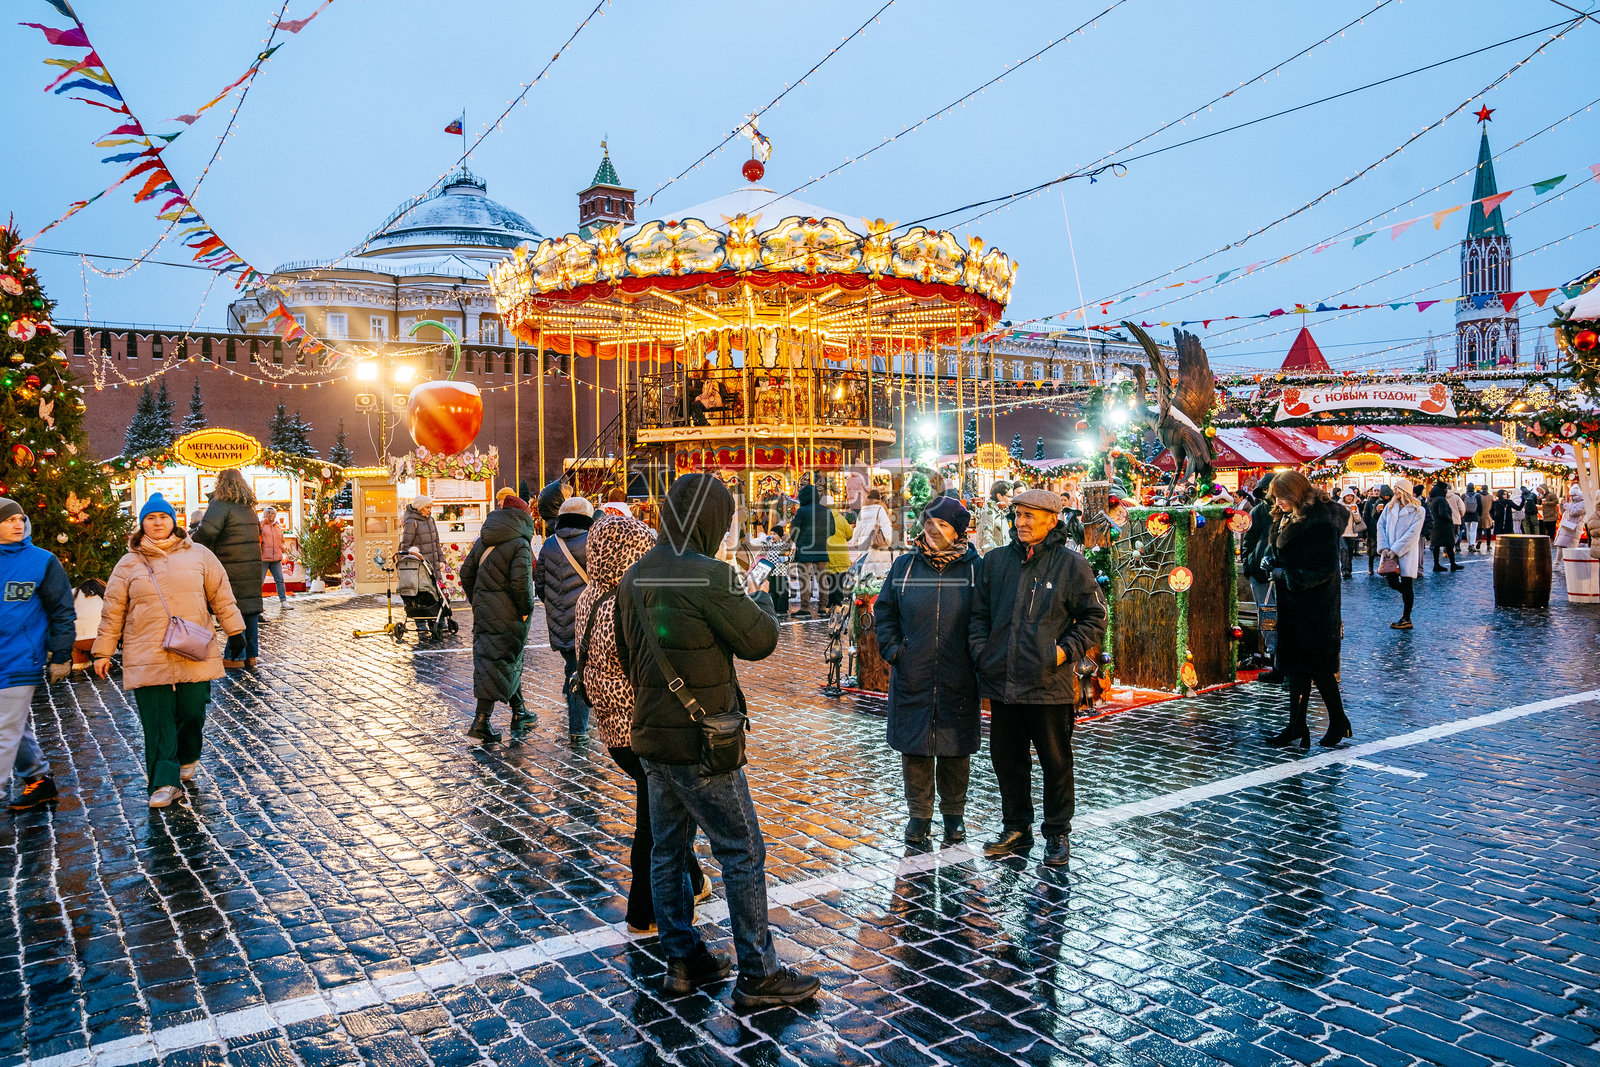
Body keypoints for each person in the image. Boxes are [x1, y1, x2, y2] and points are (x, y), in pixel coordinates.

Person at [615, 473, 819, 1008]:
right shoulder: (711, 576)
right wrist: (764, 596)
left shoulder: (635, 576)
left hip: (651, 738)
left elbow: (623, 648)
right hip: (704, 744)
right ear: (708, 521)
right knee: (742, 848)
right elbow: (759, 641)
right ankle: (758, 971)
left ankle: (683, 960)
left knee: (667, 849)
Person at [576, 513, 713, 934]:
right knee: (655, 824)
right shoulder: (626, 602)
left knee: (664, 806)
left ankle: (692, 880)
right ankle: (646, 910)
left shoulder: (589, 596)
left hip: (613, 727)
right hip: (641, 726)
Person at [970, 488, 1107, 867]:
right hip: (1003, 683)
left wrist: (1061, 653)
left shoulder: (1070, 565)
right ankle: (1016, 827)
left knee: (1055, 761)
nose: (1021, 522)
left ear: (1052, 519)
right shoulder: (995, 562)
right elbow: (978, 616)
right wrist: (983, 652)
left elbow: (1095, 618)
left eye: (1030, 515)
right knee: (1008, 760)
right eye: (1018, 514)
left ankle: (1057, 831)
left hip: (1049, 684)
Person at [93, 493, 245, 808]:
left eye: (163, 517)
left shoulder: (200, 555)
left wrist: (236, 631)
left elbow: (221, 595)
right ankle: (164, 781)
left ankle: (188, 755)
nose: (158, 522)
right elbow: (113, 611)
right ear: (142, 524)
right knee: (157, 719)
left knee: (192, 711)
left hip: (193, 647)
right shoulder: (128, 563)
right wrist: (103, 651)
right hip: (146, 650)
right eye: (151, 518)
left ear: (173, 521)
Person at [874, 495, 981, 847]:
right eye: (930, 523)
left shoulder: (974, 569)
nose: (934, 531)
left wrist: (976, 656)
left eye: (944, 525)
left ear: (958, 531)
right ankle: (918, 816)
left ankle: (954, 816)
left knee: (955, 749)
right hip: (913, 671)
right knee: (916, 749)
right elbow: (885, 611)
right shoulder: (904, 565)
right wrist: (894, 651)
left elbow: (987, 618)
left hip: (958, 674)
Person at [1261, 473, 1352, 750]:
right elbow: (1286, 551)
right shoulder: (1287, 515)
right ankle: (1299, 725)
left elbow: (1322, 569)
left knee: (1318, 669)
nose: (1278, 502)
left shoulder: (1319, 521)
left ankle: (1334, 720)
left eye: (1283, 496)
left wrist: (1282, 573)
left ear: (1296, 494)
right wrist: (1270, 559)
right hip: (1295, 606)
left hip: (1315, 608)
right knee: (1298, 669)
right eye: (1275, 496)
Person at [0, 499, 75, 809]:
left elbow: (61, 610)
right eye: (10, 520)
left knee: (5, 730)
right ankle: (38, 778)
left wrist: (61, 654)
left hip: (20, 659)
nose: (19, 524)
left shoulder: (41, 561)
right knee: (13, 725)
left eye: (21, 519)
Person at [460, 495, 537, 744]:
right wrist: (525, 609)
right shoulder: (520, 544)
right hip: (509, 614)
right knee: (503, 660)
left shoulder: (483, 541)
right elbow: (522, 584)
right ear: (522, 517)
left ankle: (519, 711)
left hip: (486, 613)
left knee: (498, 661)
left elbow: (466, 573)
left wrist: (478, 601)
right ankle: (481, 722)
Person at [536, 495, 595, 740]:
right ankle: (578, 729)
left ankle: (572, 700)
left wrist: (555, 603)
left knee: (572, 665)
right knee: (582, 672)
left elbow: (539, 584)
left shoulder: (549, 544)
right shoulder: (592, 542)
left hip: (559, 619)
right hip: (588, 619)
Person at [194, 469, 264, 669]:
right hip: (250, 567)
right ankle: (251, 655)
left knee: (233, 608)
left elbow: (207, 531)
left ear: (220, 483)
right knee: (249, 610)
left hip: (229, 565)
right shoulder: (248, 506)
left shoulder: (220, 504)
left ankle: (234, 657)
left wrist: (192, 542)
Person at [1241, 474, 1282, 680]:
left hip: (1281, 573)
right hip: (1260, 575)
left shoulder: (1288, 510)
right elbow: (1248, 539)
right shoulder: (1258, 511)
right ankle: (1275, 662)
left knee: (1284, 617)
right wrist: (1250, 564)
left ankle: (1284, 664)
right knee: (1267, 617)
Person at [1376, 480, 1425, 630]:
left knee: (1407, 583)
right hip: (1389, 551)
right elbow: (1381, 525)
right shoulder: (1390, 507)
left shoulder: (1418, 510)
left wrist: (1396, 550)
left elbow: (1413, 533)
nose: (1394, 492)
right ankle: (1407, 601)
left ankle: (1406, 617)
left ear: (1404, 491)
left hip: (1406, 552)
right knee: (1391, 581)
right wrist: (1384, 547)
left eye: (1397, 489)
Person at [788, 484, 834, 618]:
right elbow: (832, 530)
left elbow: (794, 530)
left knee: (804, 579)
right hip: (821, 548)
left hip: (805, 549)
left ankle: (805, 608)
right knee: (822, 578)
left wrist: (799, 541)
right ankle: (822, 606)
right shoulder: (826, 511)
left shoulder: (802, 511)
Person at [847, 488, 895, 579]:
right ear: (879, 499)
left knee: (867, 580)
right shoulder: (880, 509)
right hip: (878, 549)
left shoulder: (863, 511)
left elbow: (857, 530)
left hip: (864, 550)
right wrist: (888, 542)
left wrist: (857, 543)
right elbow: (887, 528)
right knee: (880, 579)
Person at [399, 494, 444, 579]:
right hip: (420, 566)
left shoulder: (431, 520)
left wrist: (441, 560)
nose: (429, 510)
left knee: (435, 590)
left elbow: (436, 543)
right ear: (420, 508)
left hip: (434, 565)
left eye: (430, 507)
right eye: (427, 507)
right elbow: (405, 546)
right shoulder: (411, 522)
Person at [71, 578, 106, 669]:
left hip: (77, 641)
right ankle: (101, 657)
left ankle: (78, 660)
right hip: (103, 641)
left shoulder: (72, 593)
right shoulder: (107, 593)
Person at [1427, 481, 1461, 572]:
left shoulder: (1433, 499)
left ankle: (1436, 564)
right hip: (1443, 526)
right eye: (1446, 488)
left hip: (1436, 526)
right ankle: (1452, 564)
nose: (1447, 490)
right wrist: (1450, 519)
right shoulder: (1441, 499)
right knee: (1449, 545)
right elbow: (1443, 513)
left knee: (1436, 546)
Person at [260, 506, 289, 609]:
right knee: (260, 581)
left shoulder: (277, 527)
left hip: (276, 558)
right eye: (268, 513)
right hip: (264, 558)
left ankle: (283, 601)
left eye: (272, 513)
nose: (270, 516)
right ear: (264, 515)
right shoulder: (261, 526)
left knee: (280, 580)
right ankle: (258, 603)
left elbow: (281, 540)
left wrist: (283, 549)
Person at [974, 481, 1012, 556]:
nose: (1011, 499)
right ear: (999, 496)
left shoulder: (1000, 511)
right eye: (1009, 497)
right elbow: (986, 541)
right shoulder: (988, 512)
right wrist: (998, 557)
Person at [1553, 486, 1586, 564]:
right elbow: (1563, 513)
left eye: (1572, 495)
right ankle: (1557, 564)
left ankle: (1564, 565)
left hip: (1572, 529)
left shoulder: (1582, 504)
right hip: (1566, 528)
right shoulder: (1572, 503)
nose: (1571, 497)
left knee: (1568, 548)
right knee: (1560, 545)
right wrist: (1561, 505)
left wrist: (1565, 504)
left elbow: (1574, 512)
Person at [1338, 490, 1365, 579]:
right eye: (1347, 496)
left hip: (1352, 533)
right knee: (1344, 549)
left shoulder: (1354, 506)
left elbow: (1358, 520)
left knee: (1349, 552)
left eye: (1351, 496)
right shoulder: (1339, 505)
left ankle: (1349, 569)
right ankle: (1344, 570)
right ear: (1344, 496)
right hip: (1342, 532)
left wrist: (1355, 512)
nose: (1349, 498)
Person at [1361, 486, 1387, 573]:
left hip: (1383, 528)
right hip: (1372, 528)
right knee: (1371, 549)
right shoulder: (1368, 503)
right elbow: (1366, 517)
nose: (1376, 492)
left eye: (1378, 490)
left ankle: (1383, 567)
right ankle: (1370, 566)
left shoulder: (1385, 502)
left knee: (1384, 549)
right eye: (1375, 490)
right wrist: (1365, 530)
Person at [1459, 483, 1481, 553]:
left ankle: (1469, 544)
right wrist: (1479, 514)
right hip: (1475, 514)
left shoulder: (1463, 495)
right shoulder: (1477, 496)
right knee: (1474, 530)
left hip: (1466, 514)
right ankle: (1472, 544)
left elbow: (1461, 505)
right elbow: (1480, 505)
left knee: (1468, 530)